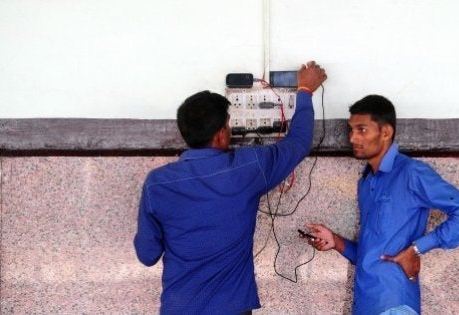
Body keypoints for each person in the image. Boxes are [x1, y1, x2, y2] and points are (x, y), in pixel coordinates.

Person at [133, 61, 327, 314]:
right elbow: (299, 143)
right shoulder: (247, 168)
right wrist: (306, 90)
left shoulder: (156, 183)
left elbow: (147, 255)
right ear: (221, 133)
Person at [306, 95, 459, 315]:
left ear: (386, 132)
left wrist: (417, 248)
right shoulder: (366, 182)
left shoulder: (410, 172)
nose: (352, 138)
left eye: (362, 130)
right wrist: (336, 242)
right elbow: (371, 255)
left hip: (395, 305)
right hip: (364, 305)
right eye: (351, 130)